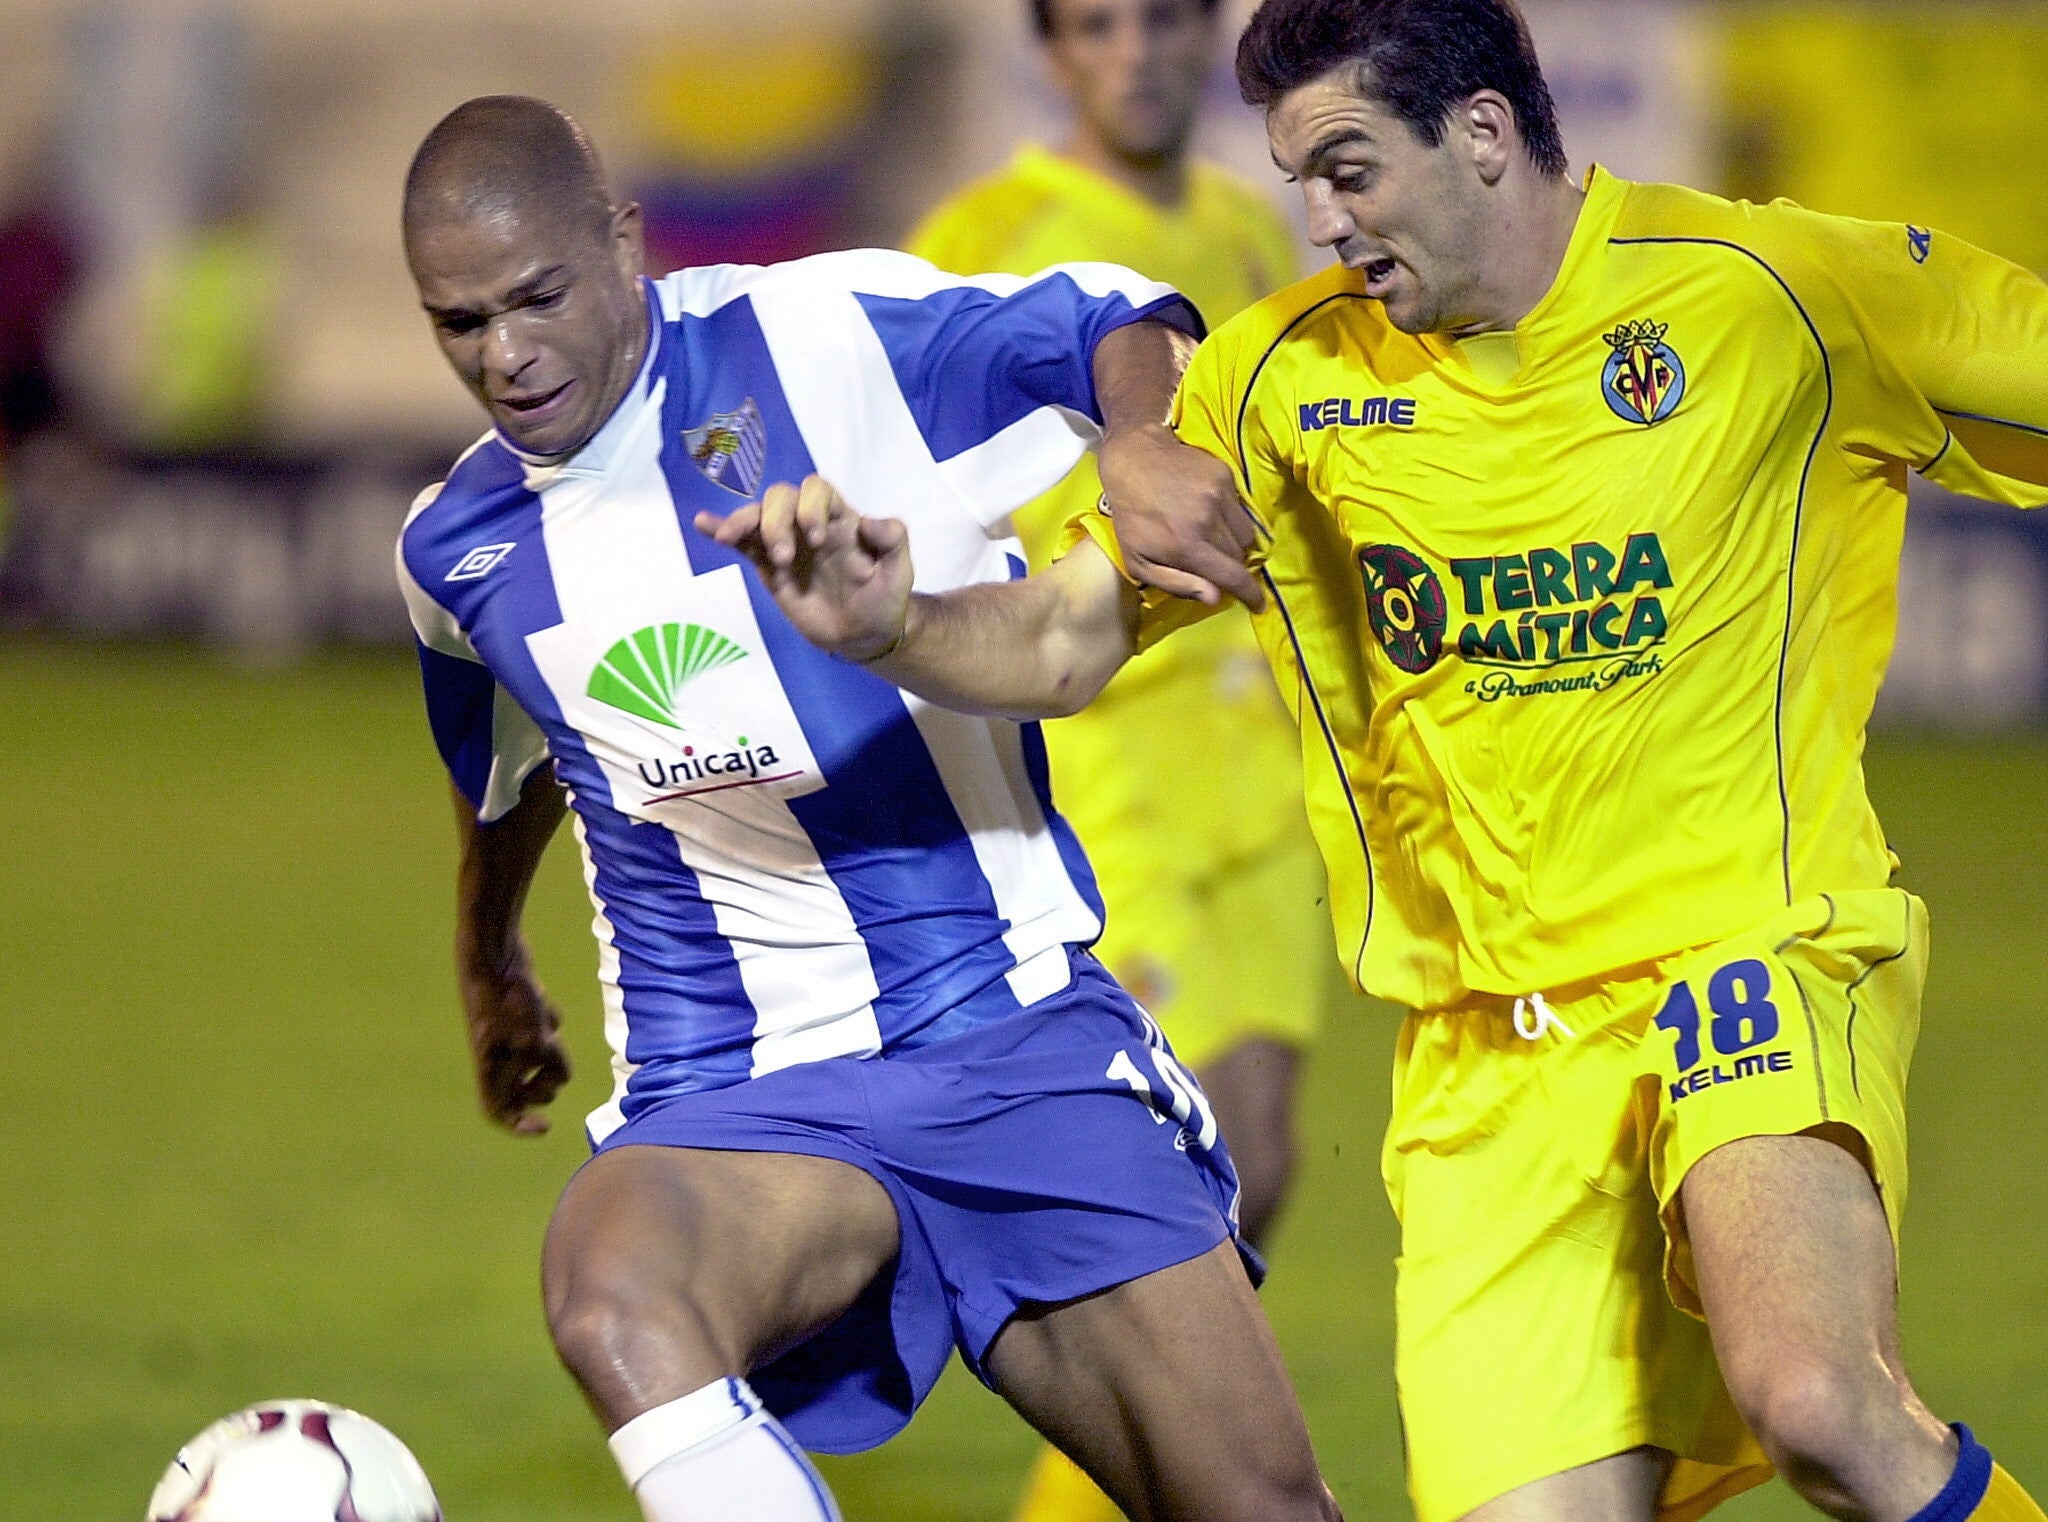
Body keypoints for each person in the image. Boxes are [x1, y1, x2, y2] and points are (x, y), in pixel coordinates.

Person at [700, 2, 2048, 1520]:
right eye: (1300, 182)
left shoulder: (1773, 292)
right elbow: (1064, 642)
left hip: (1746, 958)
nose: (1324, 221)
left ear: (1480, 130)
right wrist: (888, 621)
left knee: (1816, 1398)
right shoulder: (1278, 386)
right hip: (1485, 1069)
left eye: (1348, 170)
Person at [394, 95, 1340, 1522]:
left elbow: (1105, 313)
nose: (508, 355)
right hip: (739, 1093)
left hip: (1008, 1030)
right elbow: (507, 771)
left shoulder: (821, 338)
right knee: (610, 1284)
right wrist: (489, 964)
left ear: (624, 242)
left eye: (539, 298)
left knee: (1259, 1507)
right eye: (461, 323)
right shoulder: (455, 552)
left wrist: (1139, 441)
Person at [908, 4, 1320, 1514]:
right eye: (1096, 24)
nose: (1135, 51)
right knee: (1167, 1180)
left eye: (1163, 20)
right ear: (1053, 54)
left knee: (1257, 1159)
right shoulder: (987, 233)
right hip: (1105, 763)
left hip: (1266, 773)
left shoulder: (1243, 223)